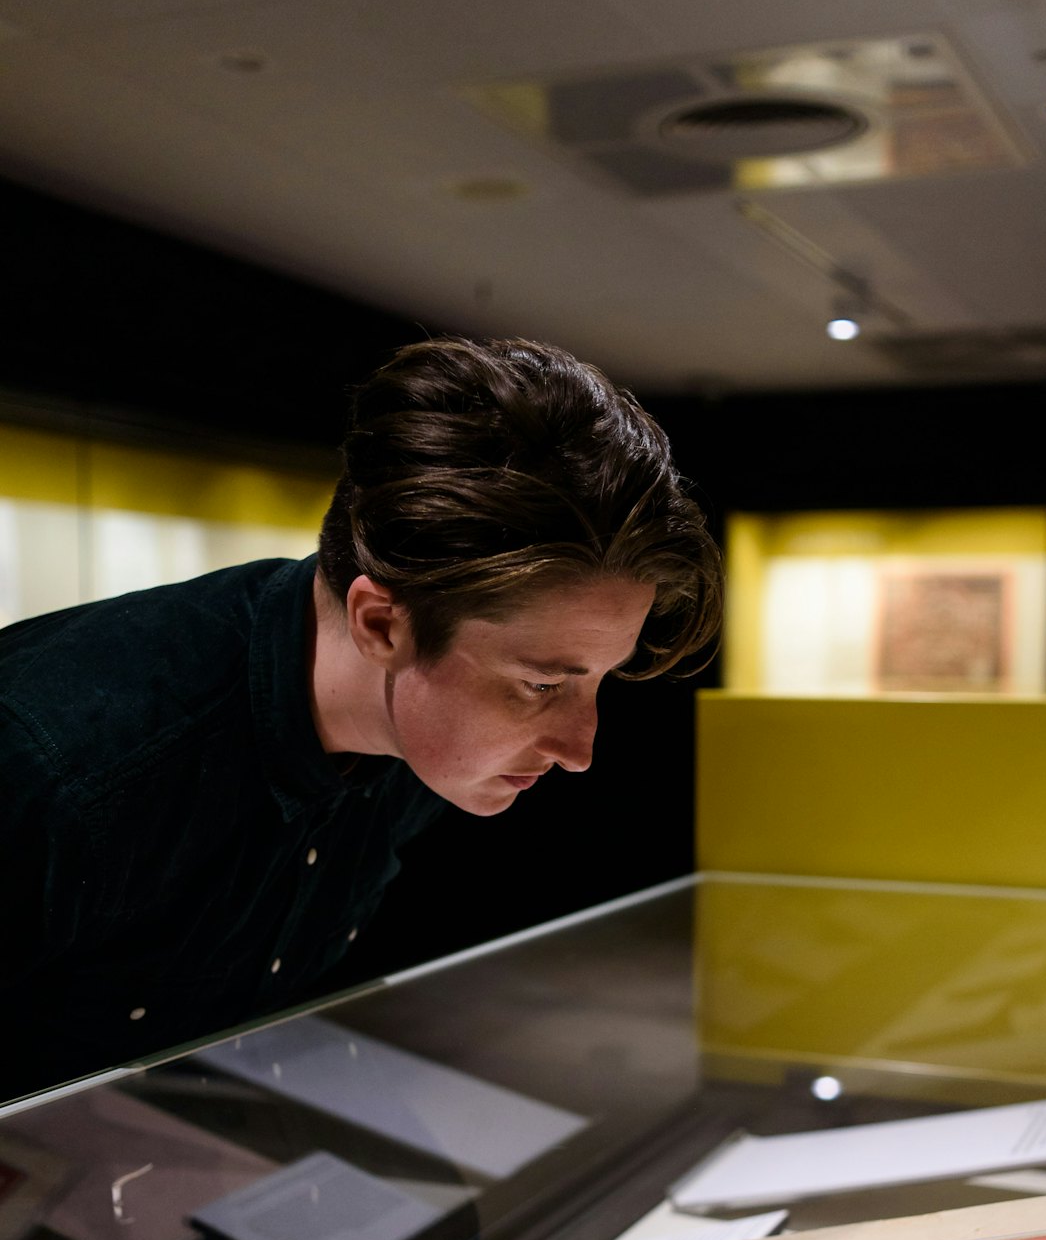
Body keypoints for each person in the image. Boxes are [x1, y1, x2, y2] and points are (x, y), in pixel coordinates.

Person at [0, 336, 722, 1101]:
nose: (581, 749)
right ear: (381, 624)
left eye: (598, 682)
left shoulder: (421, 736)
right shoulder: (62, 768)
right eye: (541, 684)